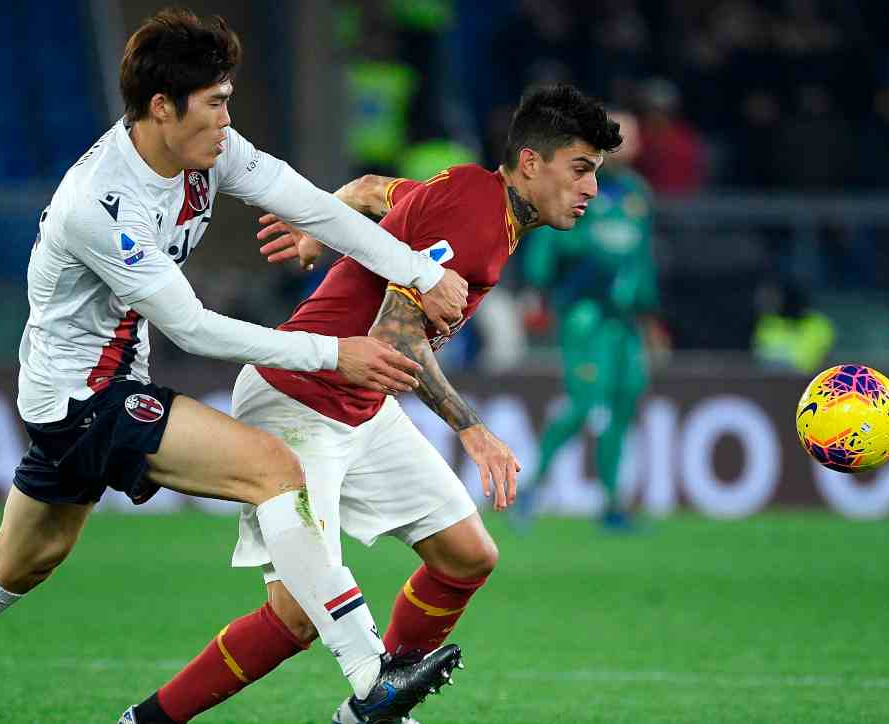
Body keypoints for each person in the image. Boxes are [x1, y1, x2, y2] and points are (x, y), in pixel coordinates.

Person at [0, 9, 471, 723]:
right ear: (163, 107)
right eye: (215, 102)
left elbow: (311, 206)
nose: (228, 117)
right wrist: (334, 352)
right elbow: (192, 327)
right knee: (274, 470)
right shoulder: (103, 206)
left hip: (82, 391)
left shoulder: (208, 150)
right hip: (83, 399)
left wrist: (413, 267)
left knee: (21, 561)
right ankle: (368, 671)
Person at [122, 84, 621, 724]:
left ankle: (373, 711)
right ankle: (146, 722)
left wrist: (317, 225)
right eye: (580, 169)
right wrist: (473, 429)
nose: (591, 190)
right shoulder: (474, 216)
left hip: (362, 405)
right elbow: (394, 337)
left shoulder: (482, 202)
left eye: (596, 174)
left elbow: (370, 189)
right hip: (296, 403)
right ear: (531, 162)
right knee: (295, 619)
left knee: (467, 555)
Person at [513, 110, 660, 531]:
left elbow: (642, 259)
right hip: (585, 313)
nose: (624, 146)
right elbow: (548, 238)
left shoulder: (637, 194)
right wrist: (536, 291)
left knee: (624, 402)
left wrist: (651, 315)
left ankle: (613, 503)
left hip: (625, 318)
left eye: (630, 138)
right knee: (582, 403)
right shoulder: (575, 185)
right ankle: (532, 489)